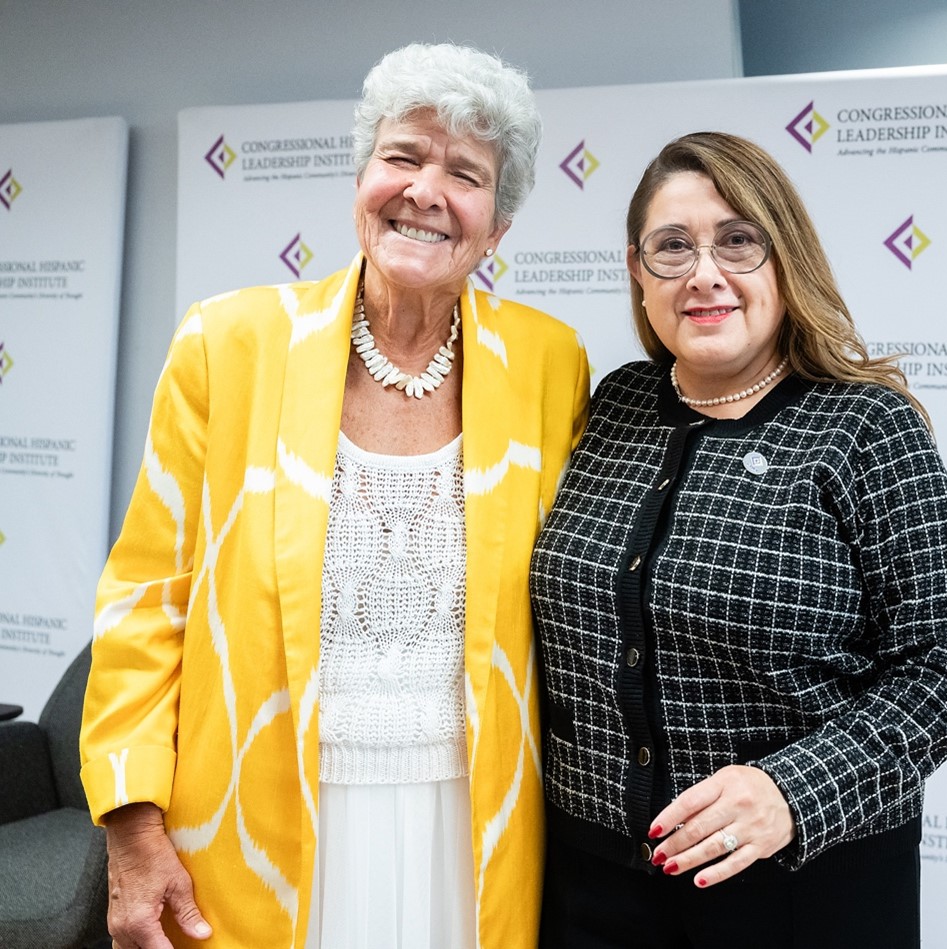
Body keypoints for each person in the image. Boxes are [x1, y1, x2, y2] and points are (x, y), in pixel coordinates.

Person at [80, 42, 588, 949]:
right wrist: (131, 825)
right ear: (360, 180)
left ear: (497, 227)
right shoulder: (227, 344)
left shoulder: (552, 363)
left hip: (469, 831)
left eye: (464, 173)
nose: (426, 190)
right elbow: (144, 601)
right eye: (402, 156)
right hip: (254, 823)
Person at [529, 131, 947, 949]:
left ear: (784, 256)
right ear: (638, 272)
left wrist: (792, 792)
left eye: (737, 240)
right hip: (591, 889)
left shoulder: (866, 427)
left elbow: (941, 670)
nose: (705, 273)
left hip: (800, 893)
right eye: (673, 247)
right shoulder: (614, 405)